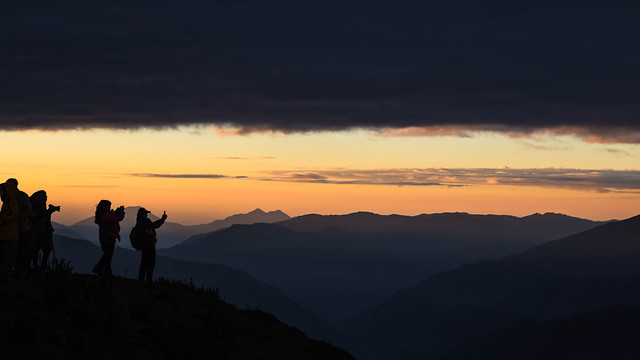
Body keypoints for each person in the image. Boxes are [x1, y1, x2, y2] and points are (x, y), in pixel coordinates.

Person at [93, 200, 125, 276]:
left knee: (108, 255)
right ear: (105, 207)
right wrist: (116, 213)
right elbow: (115, 220)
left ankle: (106, 271)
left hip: (105, 236)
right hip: (108, 237)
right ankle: (100, 269)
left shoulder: (102, 215)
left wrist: (115, 213)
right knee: (108, 254)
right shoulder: (105, 215)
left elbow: (115, 219)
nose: (109, 208)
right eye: (109, 206)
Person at [6, 179, 32, 271]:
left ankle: (20, 268)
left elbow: (28, 210)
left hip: (22, 228)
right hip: (11, 228)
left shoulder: (22, 196)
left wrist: (18, 218)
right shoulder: (8, 197)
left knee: (21, 249)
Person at [29, 190, 60, 268]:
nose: (45, 199)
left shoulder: (39, 208)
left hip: (43, 232)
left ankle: (39, 265)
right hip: (37, 232)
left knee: (42, 250)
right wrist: (50, 211)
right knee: (37, 250)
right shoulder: (35, 209)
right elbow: (38, 216)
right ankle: (39, 265)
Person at [135, 207, 167, 282]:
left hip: (144, 245)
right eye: (146, 213)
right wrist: (162, 220)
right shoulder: (145, 221)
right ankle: (148, 280)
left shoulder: (139, 222)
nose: (147, 215)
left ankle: (142, 279)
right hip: (148, 245)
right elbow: (153, 226)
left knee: (144, 262)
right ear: (143, 214)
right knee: (150, 263)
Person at [0, 181, 20, 271]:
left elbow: (15, 214)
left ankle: (9, 270)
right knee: (6, 252)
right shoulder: (8, 202)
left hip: (10, 232)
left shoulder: (12, 202)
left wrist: (5, 220)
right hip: (6, 232)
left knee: (9, 252)